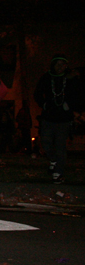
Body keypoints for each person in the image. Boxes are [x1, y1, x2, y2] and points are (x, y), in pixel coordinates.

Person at [34, 55, 82, 184]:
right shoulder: (46, 77)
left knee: (60, 145)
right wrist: (43, 103)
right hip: (48, 116)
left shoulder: (71, 78)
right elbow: (37, 93)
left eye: (63, 64)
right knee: (45, 142)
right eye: (57, 64)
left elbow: (79, 94)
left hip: (64, 118)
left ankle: (58, 173)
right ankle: (53, 159)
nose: (60, 67)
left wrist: (71, 106)